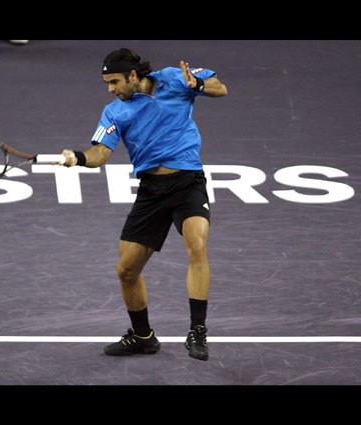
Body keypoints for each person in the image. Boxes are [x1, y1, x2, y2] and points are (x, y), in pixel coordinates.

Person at [58, 48, 227, 361]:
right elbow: (100, 153)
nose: (111, 89)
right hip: (151, 191)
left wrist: (199, 86)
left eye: (115, 82)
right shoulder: (114, 111)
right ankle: (142, 336)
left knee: (197, 245)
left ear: (133, 75)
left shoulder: (174, 78)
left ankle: (197, 331)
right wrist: (77, 158)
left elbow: (220, 88)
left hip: (188, 182)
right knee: (126, 270)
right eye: (108, 83)